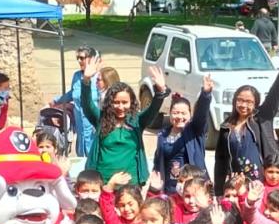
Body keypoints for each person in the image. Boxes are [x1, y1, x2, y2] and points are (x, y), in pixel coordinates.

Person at [213, 49, 279, 193]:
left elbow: (273, 96)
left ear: (255, 104)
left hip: (262, 180)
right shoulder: (226, 126)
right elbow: (220, 160)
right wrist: (218, 190)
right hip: (238, 182)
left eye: (249, 102)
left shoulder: (261, 118)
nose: (244, 105)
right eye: (240, 100)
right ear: (234, 101)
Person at [80, 56, 167, 187]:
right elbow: (87, 104)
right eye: (116, 102)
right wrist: (86, 80)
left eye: (124, 102)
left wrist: (160, 91)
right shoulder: (101, 118)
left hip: (131, 184)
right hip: (103, 182)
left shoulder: (137, 121)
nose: (120, 107)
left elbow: (153, 109)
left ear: (131, 102)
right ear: (110, 102)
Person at [154, 76, 214, 195]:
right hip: (170, 189)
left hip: (193, 188)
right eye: (175, 113)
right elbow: (158, 162)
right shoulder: (163, 134)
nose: (179, 116)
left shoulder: (195, 131)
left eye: (183, 113)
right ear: (170, 114)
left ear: (190, 114)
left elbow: (201, 113)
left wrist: (205, 95)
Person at [53, 46, 99, 157]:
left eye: (82, 58)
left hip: (94, 126)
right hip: (80, 127)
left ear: (91, 59)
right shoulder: (77, 76)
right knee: (81, 154)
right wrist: (55, 101)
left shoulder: (99, 77)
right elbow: (72, 94)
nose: (79, 61)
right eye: (77, 58)